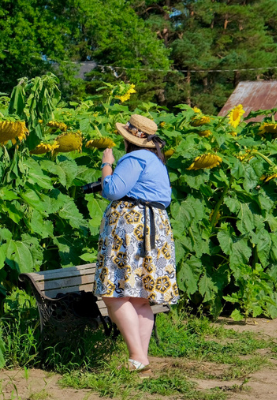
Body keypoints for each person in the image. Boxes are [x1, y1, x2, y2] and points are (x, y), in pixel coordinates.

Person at [94, 114, 179, 373]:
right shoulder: (155, 160)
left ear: (135, 137)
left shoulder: (134, 158)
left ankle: (137, 357)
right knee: (141, 298)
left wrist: (106, 166)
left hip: (132, 227)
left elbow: (112, 190)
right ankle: (140, 360)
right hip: (155, 227)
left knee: (113, 293)